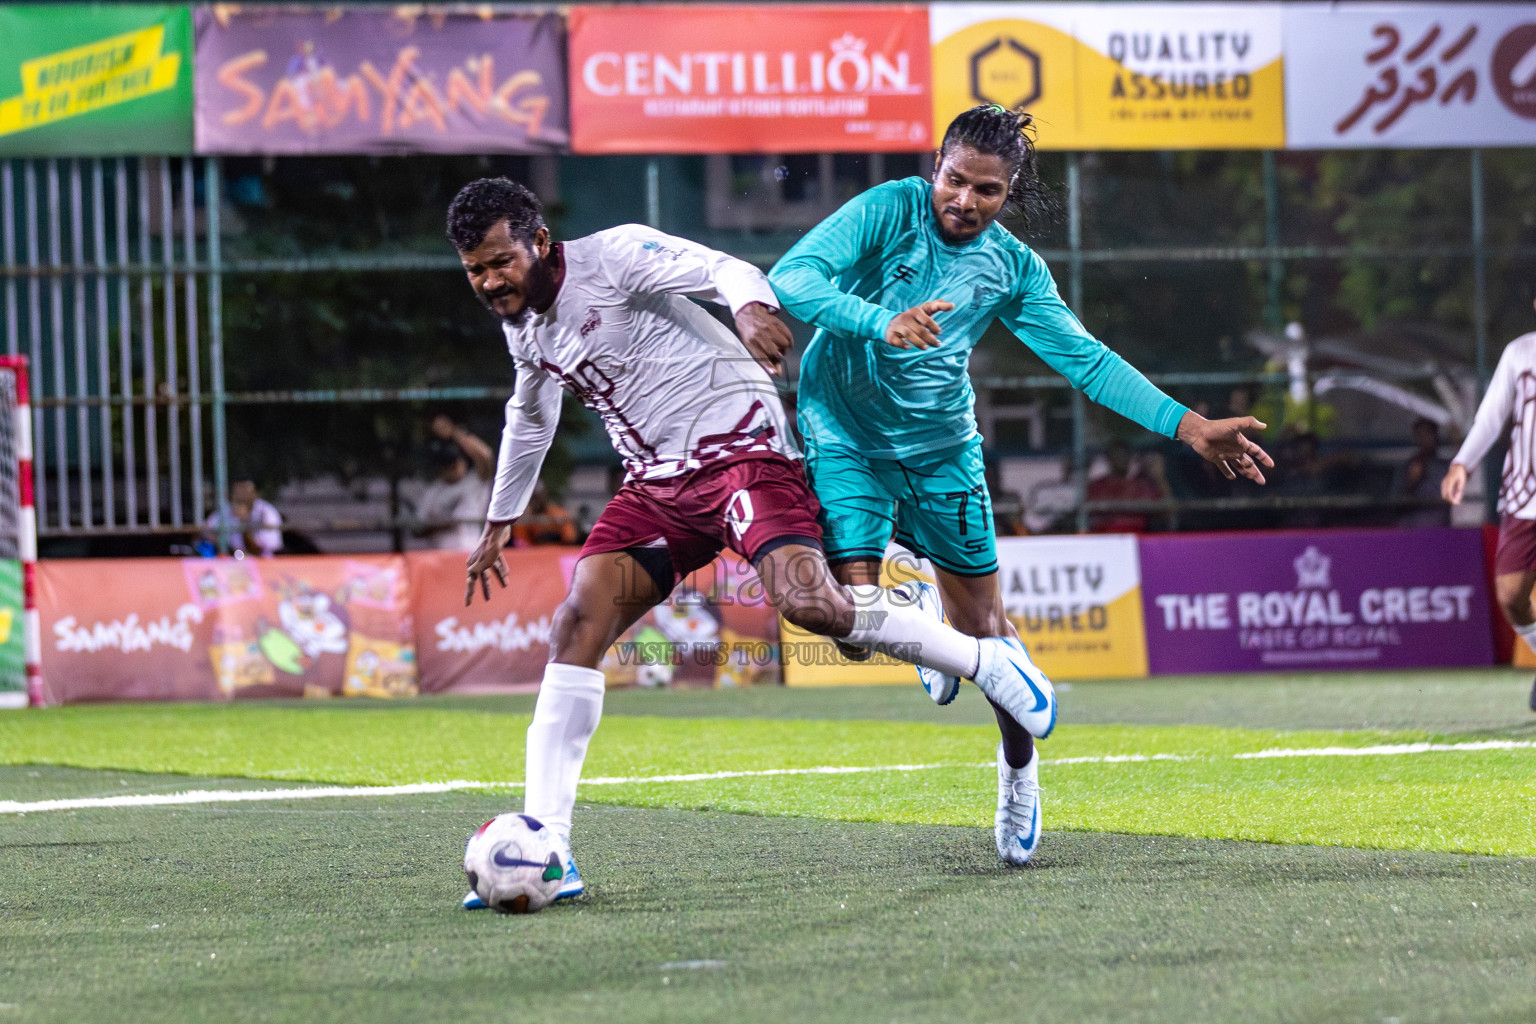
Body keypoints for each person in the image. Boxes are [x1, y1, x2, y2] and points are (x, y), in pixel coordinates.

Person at [446, 177, 1059, 907]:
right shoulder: (524, 326)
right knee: (577, 622)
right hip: (657, 487)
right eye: (475, 270)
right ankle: (549, 844)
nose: (489, 281)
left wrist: (750, 310)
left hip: (742, 450)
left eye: (499, 262)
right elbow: (531, 410)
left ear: (539, 242)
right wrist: (499, 518)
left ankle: (985, 661)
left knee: (816, 609)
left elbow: (727, 269)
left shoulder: (612, 256)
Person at [768, 104, 1273, 866]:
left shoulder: (1011, 268)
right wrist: (879, 321)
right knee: (847, 622)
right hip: (845, 435)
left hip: (943, 453)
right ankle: (918, 625)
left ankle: (1019, 774)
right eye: (954, 181)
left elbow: (1087, 361)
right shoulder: (887, 210)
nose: (964, 202)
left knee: (986, 629)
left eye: (987, 190)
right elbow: (792, 278)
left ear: (1011, 193)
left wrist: (1189, 425)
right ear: (934, 167)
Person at [1442, 298, 1536, 710]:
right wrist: (1463, 461)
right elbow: (1491, 416)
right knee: (1511, 595)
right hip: (1525, 495)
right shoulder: (1520, 352)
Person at [413, 414, 494, 550]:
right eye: (447, 463)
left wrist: (453, 432)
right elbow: (417, 529)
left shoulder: (475, 480)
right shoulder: (433, 491)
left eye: (455, 461)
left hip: (472, 554)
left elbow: (485, 456)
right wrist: (442, 525)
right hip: (441, 559)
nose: (452, 467)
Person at [1085, 440, 1168, 533]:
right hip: (1104, 538)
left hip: (1138, 538)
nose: (1121, 459)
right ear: (1109, 459)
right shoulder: (1097, 487)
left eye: (1124, 455)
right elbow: (1088, 516)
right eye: (1116, 455)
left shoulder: (1142, 486)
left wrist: (1159, 478)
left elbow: (1167, 513)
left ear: (1130, 457)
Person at [201, 480, 283, 558]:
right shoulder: (226, 510)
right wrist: (221, 542)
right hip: (232, 560)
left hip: (263, 561)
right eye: (238, 491)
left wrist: (245, 524)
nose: (241, 493)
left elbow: (271, 545)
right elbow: (206, 531)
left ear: (254, 493)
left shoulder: (266, 512)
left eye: (246, 490)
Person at [1396, 417, 1451, 528]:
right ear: (1415, 440)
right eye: (1420, 435)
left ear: (1436, 438)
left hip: (1439, 527)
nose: (1425, 439)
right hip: (1410, 528)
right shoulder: (1406, 466)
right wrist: (1412, 482)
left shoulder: (1447, 467)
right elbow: (1396, 504)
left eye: (1428, 434)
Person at [511, 481, 577, 546]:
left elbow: (570, 537)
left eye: (538, 496)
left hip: (558, 551)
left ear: (544, 495)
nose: (536, 500)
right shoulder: (524, 519)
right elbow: (522, 543)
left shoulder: (557, 513)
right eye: (533, 496)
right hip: (535, 553)